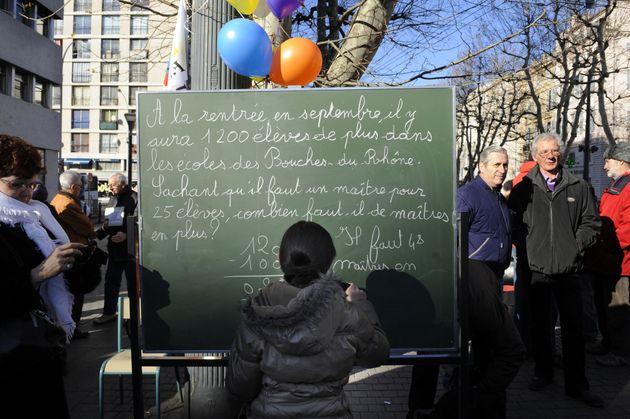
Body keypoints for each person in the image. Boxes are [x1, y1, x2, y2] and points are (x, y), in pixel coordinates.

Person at [226, 220, 390, 418]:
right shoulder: (347, 314)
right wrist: (360, 305)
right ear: (328, 262)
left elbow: (239, 388)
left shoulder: (259, 314)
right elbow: (379, 353)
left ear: (281, 259)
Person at [508, 132, 603, 407]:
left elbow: (591, 222)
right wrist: (527, 248)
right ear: (535, 157)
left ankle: (577, 385)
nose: (551, 156)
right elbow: (512, 222)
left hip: (569, 269)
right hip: (536, 270)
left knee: (573, 331)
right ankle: (543, 373)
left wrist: (576, 246)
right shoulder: (523, 188)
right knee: (539, 327)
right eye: (545, 152)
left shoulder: (578, 186)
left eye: (555, 151)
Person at [0, 134, 84, 417]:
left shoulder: (39, 214)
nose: (27, 193)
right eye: (16, 184)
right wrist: (36, 275)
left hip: (39, 347)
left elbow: (69, 282)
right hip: (10, 359)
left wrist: (80, 262)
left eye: (31, 184)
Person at [407, 260, 525, 419]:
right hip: (451, 307)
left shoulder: (483, 305)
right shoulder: (426, 301)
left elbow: (513, 352)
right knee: (427, 362)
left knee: (486, 370)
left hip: (480, 303)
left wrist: (481, 392)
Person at [584, 142, 630, 366]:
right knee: (605, 307)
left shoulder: (628, 187)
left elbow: (626, 230)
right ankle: (608, 344)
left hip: (621, 264)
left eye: (607, 161)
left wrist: (603, 244)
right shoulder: (617, 186)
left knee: (618, 309)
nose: (603, 166)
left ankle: (621, 353)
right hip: (606, 261)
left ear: (621, 161)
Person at [51, 171, 97, 338]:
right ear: (72, 187)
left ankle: (69, 325)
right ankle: (72, 328)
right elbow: (88, 228)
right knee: (77, 292)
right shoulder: (67, 203)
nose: (81, 189)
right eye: (79, 186)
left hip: (67, 249)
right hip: (74, 251)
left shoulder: (57, 199)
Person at [457, 145, 511, 284]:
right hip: (475, 279)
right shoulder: (467, 196)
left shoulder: (500, 198)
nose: (502, 170)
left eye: (505, 165)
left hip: (496, 276)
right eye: (497, 165)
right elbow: (452, 239)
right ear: (482, 166)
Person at [93, 173, 137, 324]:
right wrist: (97, 234)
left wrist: (126, 235)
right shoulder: (113, 198)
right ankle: (109, 312)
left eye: (113, 185)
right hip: (114, 249)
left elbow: (140, 223)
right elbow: (110, 222)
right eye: (109, 185)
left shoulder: (135, 199)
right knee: (111, 282)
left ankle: (134, 314)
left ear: (123, 184)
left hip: (132, 251)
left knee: (133, 284)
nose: (109, 187)